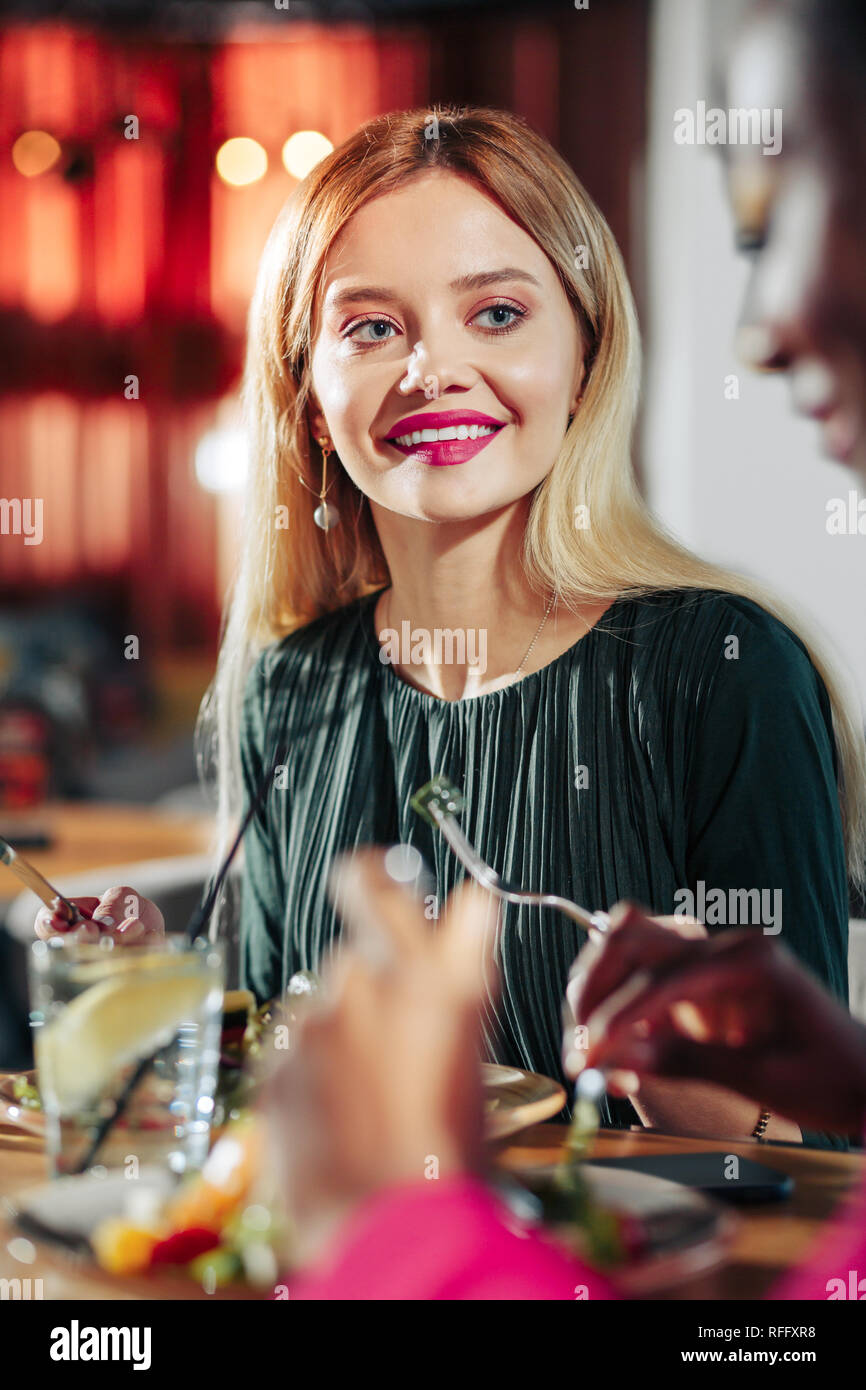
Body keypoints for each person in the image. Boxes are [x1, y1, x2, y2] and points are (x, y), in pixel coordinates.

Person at [35, 104, 864, 1150]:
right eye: (372, 328)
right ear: (305, 396)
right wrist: (149, 992)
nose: (430, 370)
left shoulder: (723, 671)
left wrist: (681, 1071)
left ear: (584, 354)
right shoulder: (287, 689)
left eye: (497, 314)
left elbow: (821, 1159)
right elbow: (267, 1094)